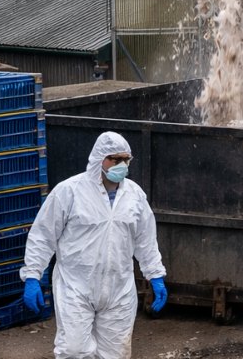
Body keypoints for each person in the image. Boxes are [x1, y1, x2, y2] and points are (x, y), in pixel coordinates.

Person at [21, 132, 167, 359]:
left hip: (118, 287)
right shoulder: (69, 191)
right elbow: (43, 235)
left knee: (116, 353)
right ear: (100, 159)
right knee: (73, 350)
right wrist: (32, 275)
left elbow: (145, 239)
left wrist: (155, 275)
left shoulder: (134, 195)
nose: (121, 165)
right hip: (76, 286)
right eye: (115, 159)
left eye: (126, 160)